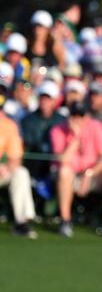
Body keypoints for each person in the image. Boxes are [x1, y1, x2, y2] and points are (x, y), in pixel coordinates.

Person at [49, 100, 102, 238]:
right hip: (71, 176)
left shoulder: (96, 126)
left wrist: (89, 174)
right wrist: (75, 137)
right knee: (64, 172)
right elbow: (63, 159)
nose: (78, 119)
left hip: (92, 175)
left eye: (81, 115)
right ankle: (65, 220)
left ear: (86, 116)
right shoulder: (58, 129)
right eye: (74, 115)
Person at [0, 99, 37, 238]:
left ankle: (22, 222)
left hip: (2, 172)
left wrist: (6, 167)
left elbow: (15, 157)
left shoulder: (9, 125)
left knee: (21, 173)